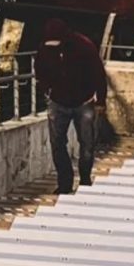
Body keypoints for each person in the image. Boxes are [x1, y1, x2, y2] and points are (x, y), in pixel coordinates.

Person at [34, 17, 106, 193]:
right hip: (58, 101)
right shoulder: (45, 49)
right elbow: (39, 71)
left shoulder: (84, 46)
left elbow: (98, 73)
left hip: (84, 101)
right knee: (57, 143)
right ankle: (65, 183)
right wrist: (47, 90)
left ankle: (85, 179)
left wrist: (100, 101)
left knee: (87, 144)